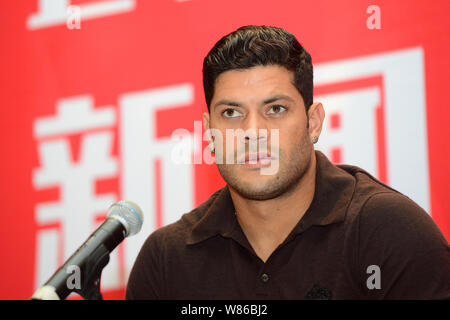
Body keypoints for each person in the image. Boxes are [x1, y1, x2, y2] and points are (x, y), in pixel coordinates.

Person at [126, 25, 450, 299]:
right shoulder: (167, 262)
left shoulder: (388, 232)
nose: (252, 132)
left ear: (313, 123)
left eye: (276, 109)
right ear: (210, 132)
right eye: (231, 113)